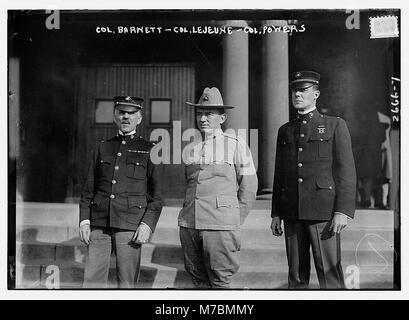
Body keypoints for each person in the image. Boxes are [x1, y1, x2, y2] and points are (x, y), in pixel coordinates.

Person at [270, 71, 356, 289]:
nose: (297, 94)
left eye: (303, 90)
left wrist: (342, 211)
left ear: (316, 94)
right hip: (292, 211)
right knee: (296, 278)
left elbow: (346, 171)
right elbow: (279, 174)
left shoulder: (334, 125)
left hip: (323, 212)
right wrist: (276, 213)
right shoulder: (285, 130)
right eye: (294, 90)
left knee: (330, 276)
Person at [79, 95, 163, 288]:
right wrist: (84, 220)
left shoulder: (149, 149)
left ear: (139, 118)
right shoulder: (102, 147)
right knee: (91, 282)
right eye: (122, 112)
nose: (126, 117)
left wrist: (147, 225)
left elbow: (157, 197)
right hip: (100, 222)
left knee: (127, 283)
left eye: (131, 113)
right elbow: (88, 189)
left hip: (130, 224)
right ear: (115, 116)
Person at [178, 87, 258, 288]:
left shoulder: (236, 144)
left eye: (209, 114)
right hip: (189, 224)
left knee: (220, 282)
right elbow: (190, 185)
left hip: (219, 226)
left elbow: (249, 187)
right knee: (198, 280)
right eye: (200, 114)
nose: (203, 119)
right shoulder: (192, 148)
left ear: (222, 118)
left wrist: (232, 220)